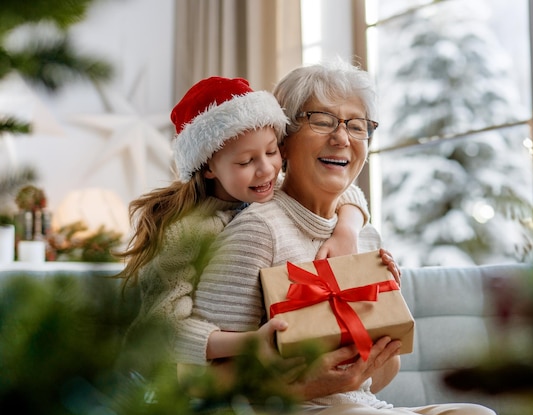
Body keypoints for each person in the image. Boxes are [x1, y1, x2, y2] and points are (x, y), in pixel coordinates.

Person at [179, 61, 497, 415]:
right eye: (322, 120)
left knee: (476, 414)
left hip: (364, 406)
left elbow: (374, 379)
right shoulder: (257, 229)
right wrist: (307, 384)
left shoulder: (363, 234)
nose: (342, 138)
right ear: (283, 140)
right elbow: (195, 381)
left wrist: (381, 323)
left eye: (357, 125)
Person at [116, 76, 383, 380]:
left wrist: (346, 228)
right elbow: (163, 329)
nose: (267, 169)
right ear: (208, 168)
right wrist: (251, 342)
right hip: (155, 381)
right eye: (246, 161)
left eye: (272, 152)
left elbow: (347, 192)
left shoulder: (264, 189)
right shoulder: (186, 232)